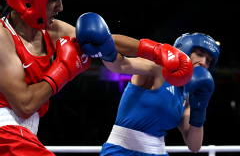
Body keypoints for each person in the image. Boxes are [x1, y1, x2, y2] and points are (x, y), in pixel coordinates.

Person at [75, 13, 220, 156]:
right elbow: (121, 65)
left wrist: (201, 107)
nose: (203, 63)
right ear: (184, 50)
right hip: (122, 151)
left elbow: (194, 146)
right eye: (200, 54)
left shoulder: (189, 97)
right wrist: (104, 47)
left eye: (208, 60)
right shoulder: (158, 68)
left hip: (158, 153)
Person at [0, 0, 91, 155]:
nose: (60, 7)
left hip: (23, 136)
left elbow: (99, 41)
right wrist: (63, 70)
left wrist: (154, 51)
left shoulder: (51, 30)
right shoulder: (1, 36)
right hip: (5, 136)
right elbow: (25, 105)